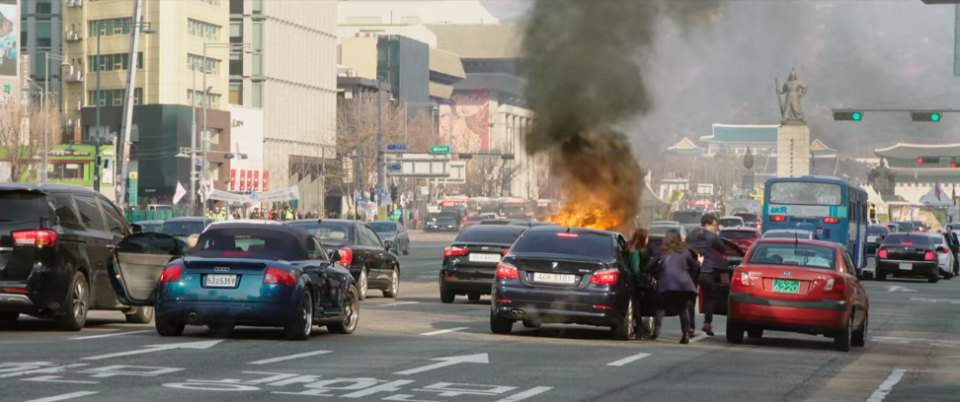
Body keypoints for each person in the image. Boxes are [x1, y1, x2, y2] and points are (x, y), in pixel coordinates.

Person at [649, 229, 701, 344]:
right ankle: (685, 334)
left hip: (667, 284)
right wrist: (689, 275)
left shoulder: (663, 252)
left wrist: (655, 274)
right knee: (683, 308)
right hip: (684, 285)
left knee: (660, 307)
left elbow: (650, 266)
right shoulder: (685, 252)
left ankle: (656, 332)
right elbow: (696, 266)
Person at [685, 213, 727, 336]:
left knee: (691, 299)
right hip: (707, 271)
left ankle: (690, 327)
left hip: (692, 270)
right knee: (710, 297)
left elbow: (686, 247)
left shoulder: (691, 235)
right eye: (715, 225)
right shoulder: (713, 236)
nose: (716, 228)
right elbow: (723, 248)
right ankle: (707, 323)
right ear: (708, 224)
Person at [627, 228, 655, 339]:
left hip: (636, 282)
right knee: (636, 306)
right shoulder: (634, 251)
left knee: (637, 305)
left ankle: (639, 328)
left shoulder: (635, 249)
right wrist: (642, 277)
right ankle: (638, 329)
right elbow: (635, 269)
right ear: (642, 239)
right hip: (635, 283)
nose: (648, 240)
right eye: (647, 237)